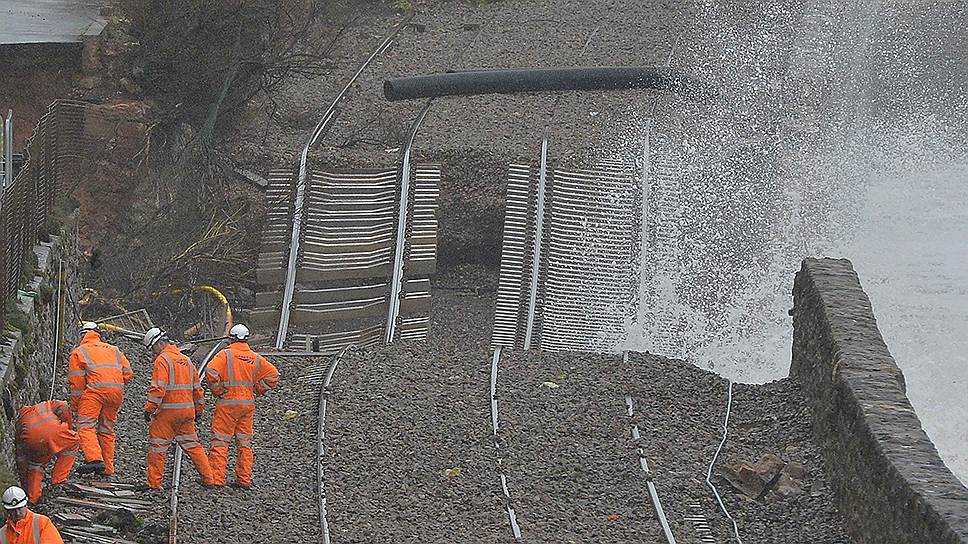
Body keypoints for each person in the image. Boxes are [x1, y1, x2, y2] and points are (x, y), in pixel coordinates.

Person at [205, 324, 280, 488]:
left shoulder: (225, 355)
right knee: (245, 443)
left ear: (231, 338)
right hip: (247, 405)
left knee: (221, 441)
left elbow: (210, 371)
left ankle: (217, 479)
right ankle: (244, 480)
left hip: (228, 404)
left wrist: (218, 390)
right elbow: (273, 375)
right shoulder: (255, 358)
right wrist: (257, 391)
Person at [142, 327, 214, 489]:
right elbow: (197, 390)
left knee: (157, 447)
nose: (153, 353)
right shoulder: (186, 360)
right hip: (187, 412)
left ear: (159, 343)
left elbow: (158, 388)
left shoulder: (163, 361)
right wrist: (199, 410)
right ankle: (209, 479)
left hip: (168, 413)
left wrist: (149, 408)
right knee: (193, 446)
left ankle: (154, 483)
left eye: (153, 349)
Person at [68, 322, 134, 476]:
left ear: (83, 335)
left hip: (95, 392)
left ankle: (95, 460)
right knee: (106, 430)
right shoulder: (114, 350)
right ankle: (108, 468)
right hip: (116, 393)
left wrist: (76, 405)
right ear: (98, 334)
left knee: (85, 426)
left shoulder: (80, 352)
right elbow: (128, 373)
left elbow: (77, 382)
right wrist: (114, 384)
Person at [14, 400, 78, 505]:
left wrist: (23, 474)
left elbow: (20, 452)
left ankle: (33, 498)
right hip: (54, 432)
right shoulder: (45, 405)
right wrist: (68, 424)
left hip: (33, 440)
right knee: (73, 443)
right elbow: (64, 406)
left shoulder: (20, 423)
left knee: (36, 465)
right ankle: (58, 479)